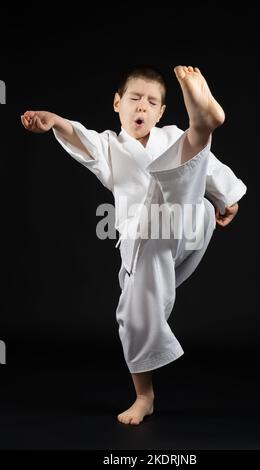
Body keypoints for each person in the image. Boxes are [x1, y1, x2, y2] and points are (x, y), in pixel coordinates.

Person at [21, 65, 247, 425]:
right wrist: (56, 121)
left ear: (160, 113)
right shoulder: (111, 146)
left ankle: (203, 124)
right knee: (134, 311)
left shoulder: (171, 135)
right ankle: (145, 396)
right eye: (134, 99)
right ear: (117, 103)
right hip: (146, 243)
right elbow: (83, 139)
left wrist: (226, 198)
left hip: (188, 220)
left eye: (151, 102)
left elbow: (208, 168)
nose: (142, 107)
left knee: (181, 156)